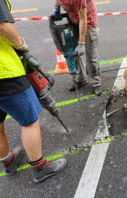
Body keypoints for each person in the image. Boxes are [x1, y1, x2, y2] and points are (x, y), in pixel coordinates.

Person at [0, 0, 67, 183]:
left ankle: (8, 161)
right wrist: (21, 44)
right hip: (5, 73)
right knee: (30, 120)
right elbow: (3, 27)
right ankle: (39, 168)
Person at [54, 0, 102, 96]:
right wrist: (57, 8)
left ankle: (96, 82)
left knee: (90, 55)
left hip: (87, 22)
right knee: (75, 54)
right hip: (74, 20)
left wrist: (81, 44)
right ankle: (81, 79)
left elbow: (83, 19)